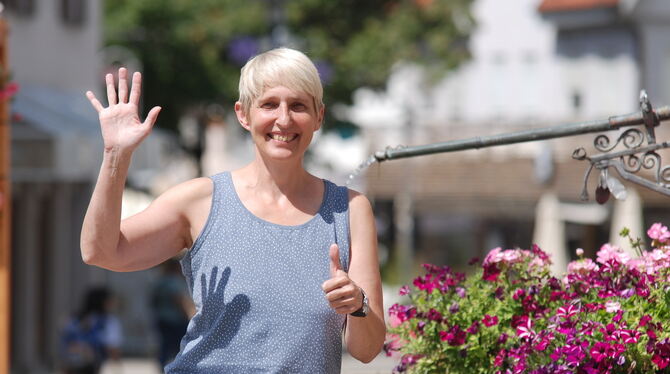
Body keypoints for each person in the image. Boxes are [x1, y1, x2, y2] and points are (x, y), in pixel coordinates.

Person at [80, 47, 385, 373]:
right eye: (269, 104)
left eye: (298, 106)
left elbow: (366, 351)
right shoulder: (200, 201)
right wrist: (115, 156)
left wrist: (358, 305)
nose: (284, 119)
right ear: (243, 114)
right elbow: (101, 252)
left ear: (319, 116)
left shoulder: (351, 209)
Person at [60, 287, 123, 374]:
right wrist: (118, 369)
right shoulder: (108, 321)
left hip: (72, 365)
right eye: (110, 301)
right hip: (93, 365)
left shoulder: (73, 319)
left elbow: (64, 343)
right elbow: (112, 348)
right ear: (103, 302)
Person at [150, 258, 195, 367]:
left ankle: (164, 366)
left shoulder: (160, 281)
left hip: (162, 318)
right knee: (179, 348)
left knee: (165, 346)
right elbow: (179, 299)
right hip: (175, 320)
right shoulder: (173, 281)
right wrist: (191, 315)